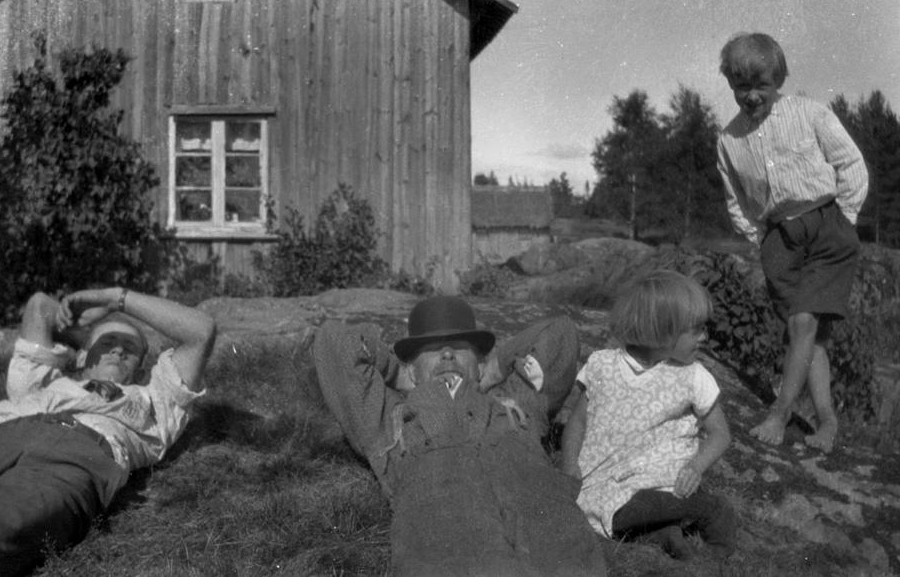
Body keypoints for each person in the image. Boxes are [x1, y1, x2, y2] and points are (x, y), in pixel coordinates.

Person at [0, 287, 217, 577]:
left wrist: (114, 298)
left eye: (129, 349)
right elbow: (40, 306)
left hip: (73, 461)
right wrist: (79, 322)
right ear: (82, 355)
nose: (117, 350)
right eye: (108, 342)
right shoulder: (43, 380)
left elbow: (201, 331)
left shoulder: (153, 401)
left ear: (141, 366)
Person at [314, 296, 607, 576]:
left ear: (479, 363)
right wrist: (400, 375)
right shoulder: (391, 418)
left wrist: (494, 369)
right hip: (448, 547)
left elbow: (560, 333)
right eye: (431, 350)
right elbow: (336, 343)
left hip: (550, 538)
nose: (447, 353)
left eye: (459, 346)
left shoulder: (516, 403)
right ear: (411, 369)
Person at [715, 32, 868, 451]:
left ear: (777, 80)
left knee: (803, 324)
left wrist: (845, 218)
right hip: (779, 239)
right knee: (808, 334)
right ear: (730, 84)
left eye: (760, 86)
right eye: (741, 87)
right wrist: (762, 240)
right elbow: (736, 200)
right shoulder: (728, 140)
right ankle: (827, 423)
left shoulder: (809, 113)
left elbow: (849, 162)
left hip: (826, 226)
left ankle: (779, 415)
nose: (750, 96)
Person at [561, 270, 735, 560]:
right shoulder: (602, 365)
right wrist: (569, 465)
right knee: (608, 516)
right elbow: (577, 422)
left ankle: (709, 518)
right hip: (603, 480)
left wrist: (696, 467)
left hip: (662, 479)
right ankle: (663, 533)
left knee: (643, 505)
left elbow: (720, 433)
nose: (705, 337)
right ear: (662, 330)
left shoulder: (693, 376)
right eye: (696, 330)